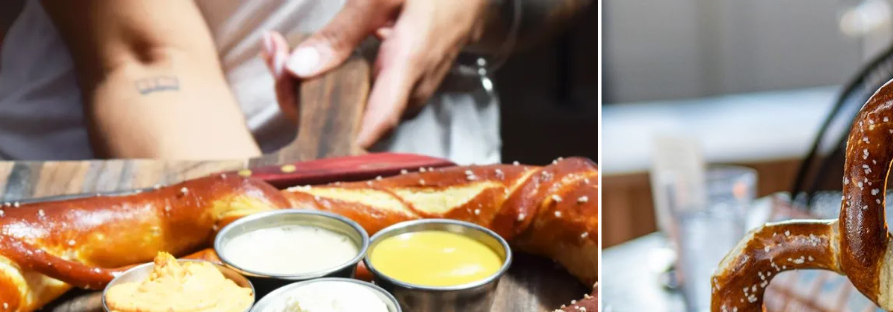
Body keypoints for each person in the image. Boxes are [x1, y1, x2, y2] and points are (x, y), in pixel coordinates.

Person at [0, 0, 589, 163]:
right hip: (121, 191)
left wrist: (472, 10)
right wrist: (274, 238)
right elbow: (146, 57)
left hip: (431, 201)